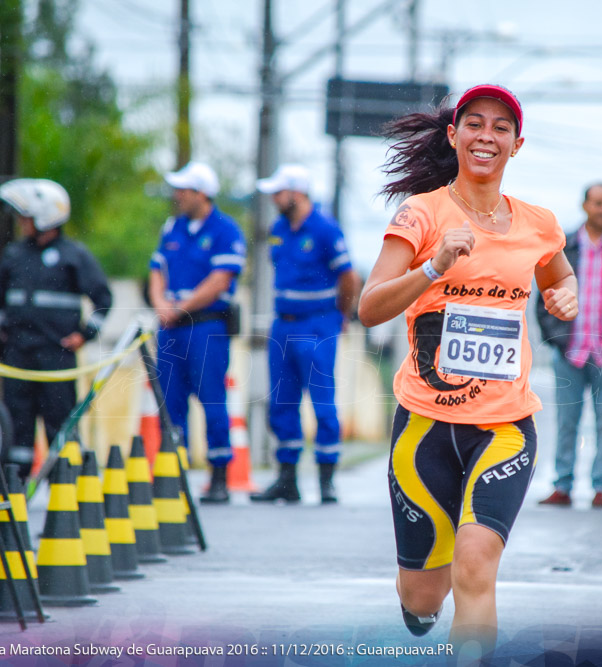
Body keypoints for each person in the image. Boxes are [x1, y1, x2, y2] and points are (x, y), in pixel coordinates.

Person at [358, 85, 577, 652]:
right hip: (425, 424)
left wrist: (565, 296)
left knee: (476, 566)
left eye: (501, 127)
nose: (487, 136)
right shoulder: (422, 213)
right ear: (454, 136)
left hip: (505, 427)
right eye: (474, 124)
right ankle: (417, 605)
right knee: (424, 595)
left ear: (517, 145)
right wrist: (432, 268)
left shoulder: (539, 223)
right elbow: (369, 307)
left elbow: (560, 275)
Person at [249, 164, 361, 505]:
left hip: (317, 323)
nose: (273, 198)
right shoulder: (279, 229)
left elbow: (349, 277)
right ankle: (287, 480)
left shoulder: (325, 229)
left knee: (323, 401)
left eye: (278, 192)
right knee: (281, 402)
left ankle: (327, 479)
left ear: (296, 193)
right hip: (283, 323)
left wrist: (341, 314)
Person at [0, 178, 112, 481]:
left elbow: (103, 298)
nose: (21, 223)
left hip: (55, 355)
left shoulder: (74, 255)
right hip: (18, 354)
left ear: (46, 218)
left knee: (61, 421)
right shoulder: (15, 254)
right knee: (16, 422)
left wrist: (85, 335)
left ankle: (67, 483)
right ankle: (13, 481)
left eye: (26, 217)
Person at [536, 182, 602, 509]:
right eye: (598, 203)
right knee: (567, 421)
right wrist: (555, 337)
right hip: (570, 349)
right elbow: (544, 294)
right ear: (585, 206)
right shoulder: (564, 248)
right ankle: (563, 485)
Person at [148, 161, 246, 504]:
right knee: (170, 402)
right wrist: (160, 302)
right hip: (171, 328)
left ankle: (219, 475)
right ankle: (172, 473)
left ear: (201, 194)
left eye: (184, 190)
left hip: (206, 327)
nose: (177, 196)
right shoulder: (172, 227)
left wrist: (180, 307)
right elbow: (157, 270)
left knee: (212, 399)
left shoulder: (225, 230)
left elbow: (219, 280)